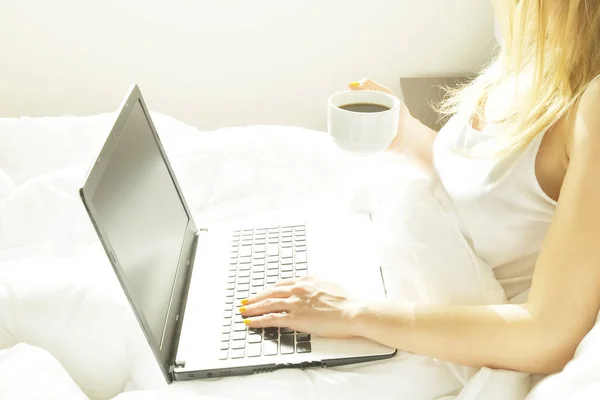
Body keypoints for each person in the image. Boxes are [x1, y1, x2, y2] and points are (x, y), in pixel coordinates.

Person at [241, 0, 600, 374]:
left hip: (451, 338)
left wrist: (351, 313)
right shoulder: (529, 46)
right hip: (396, 278)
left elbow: (546, 336)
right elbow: (496, 194)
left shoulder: (592, 103)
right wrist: (407, 135)